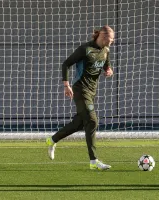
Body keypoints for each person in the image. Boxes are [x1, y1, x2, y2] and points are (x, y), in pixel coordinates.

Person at [46, 25, 114, 170]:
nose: (112, 42)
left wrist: (108, 71)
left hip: (92, 92)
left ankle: (52, 140)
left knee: (79, 123)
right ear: (103, 36)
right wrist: (66, 85)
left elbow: (106, 66)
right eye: (111, 39)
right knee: (92, 121)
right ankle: (94, 161)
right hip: (80, 89)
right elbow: (66, 64)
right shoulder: (85, 49)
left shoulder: (106, 50)